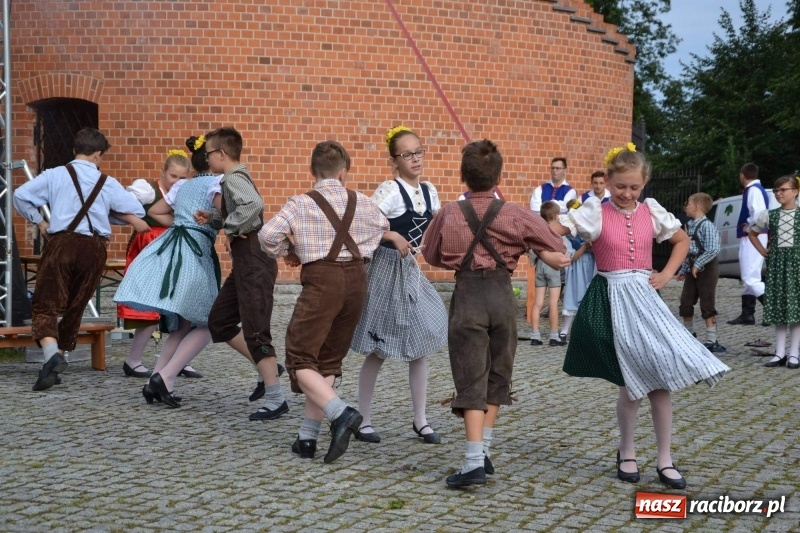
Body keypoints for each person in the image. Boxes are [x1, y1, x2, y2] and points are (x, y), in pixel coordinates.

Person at [558, 144, 730, 490]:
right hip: (612, 297)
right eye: (620, 185)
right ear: (607, 181)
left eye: (634, 187)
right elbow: (559, 228)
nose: (626, 193)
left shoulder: (650, 210)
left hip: (645, 298)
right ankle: (627, 451)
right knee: (631, 385)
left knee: (661, 381)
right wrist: (534, 232)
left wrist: (666, 274)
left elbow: (681, 241)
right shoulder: (595, 210)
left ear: (644, 184)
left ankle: (665, 458)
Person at [422, 139, 570, 488]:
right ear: (499, 175)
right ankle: (483, 451)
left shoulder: (447, 213)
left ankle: (473, 461)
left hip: (469, 294)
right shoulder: (516, 213)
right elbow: (556, 244)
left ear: (463, 175)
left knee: (470, 377)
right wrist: (521, 247)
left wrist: (458, 261)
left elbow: (430, 254)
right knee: (497, 375)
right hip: (502, 297)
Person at [259, 140, 397, 463]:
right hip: (357, 281)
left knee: (298, 356)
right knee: (328, 359)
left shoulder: (301, 202)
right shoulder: (362, 201)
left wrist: (288, 252)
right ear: (343, 172)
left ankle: (340, 413)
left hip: (323, 280)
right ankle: (307, 437)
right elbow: (382, 228)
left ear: (312, 171)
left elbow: (267, 235)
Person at [13, 127, 145, 391]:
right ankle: (56, 360)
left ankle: (52, 356)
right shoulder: (107, 182)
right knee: (76, 305)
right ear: (98, 154)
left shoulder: (54, 175)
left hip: (62, 242)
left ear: (74, 150)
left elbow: (20, 195)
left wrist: (39, 221)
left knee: (45, 304)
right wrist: (104, 214)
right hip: (95, 247)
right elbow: (135, 210)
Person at [350, 125, 448, 445]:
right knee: (379, 347)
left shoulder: (431, 191)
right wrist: (390, 234)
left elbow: (431, 230)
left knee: (419, 345)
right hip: (385, 270)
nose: (416, 159)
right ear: (395, 161)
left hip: (410, 271)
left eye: (419, 151)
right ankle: (362, 419)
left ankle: (420, 419)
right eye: (407, 154)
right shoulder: (388, 191)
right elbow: (362, 225)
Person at [114, 135, 222, 406]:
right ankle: (165, 376)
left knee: (183, 324)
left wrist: (180, 221)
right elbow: (226, 217)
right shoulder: (216, 183)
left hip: (176, 247)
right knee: (209, 321)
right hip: (195, 253)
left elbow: (157, 211)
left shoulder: (182, 186)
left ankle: (159, 380)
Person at [194, 127, 286, 420]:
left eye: (208, 153)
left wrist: (231, 228)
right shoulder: (232, 179)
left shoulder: (232, 178)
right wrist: (215, 219)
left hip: (254, 259)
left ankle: (275, 397)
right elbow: (242, 210)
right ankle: (266, 370)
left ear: (221, 154)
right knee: (219, 321)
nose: (206, 159)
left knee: (256, 328)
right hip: (246, 261)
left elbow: (253, 206)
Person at [118, 149, 194, 378]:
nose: (177, 182)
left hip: (176, 251)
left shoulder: (186, 194)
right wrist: (135, 220)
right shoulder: (147, 190)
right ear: (163, 173)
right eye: (173, 176)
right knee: (150, 309)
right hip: (149, 251)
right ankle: (133, 360)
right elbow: (118, 205)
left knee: (183, 310)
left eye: (182, 178)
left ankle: (178, 361)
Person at [748, 175, 800, 369]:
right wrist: (763, 251)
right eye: (777, 190)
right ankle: (779, 353)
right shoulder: (770, 215)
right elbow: (752, 233)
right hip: (777, 266)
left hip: (797, 267)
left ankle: (794, 353)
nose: (779, 194)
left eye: (783, 190)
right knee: (779, 307)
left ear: (795, 191)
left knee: (795, 309)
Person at [677, 193, 725, 353]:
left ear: (696, 206)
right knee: (686, 300)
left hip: (707, 268)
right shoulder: (688, 226)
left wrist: (697, 264)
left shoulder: (707, 226)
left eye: (687, 203)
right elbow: (686, 250)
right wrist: (684, 269)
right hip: (692, 268)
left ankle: (712, 339)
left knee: (707, 301)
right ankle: (688, 334)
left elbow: (713, 249)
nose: (686, 206)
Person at [728, 163, 769, 325]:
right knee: (751, 276)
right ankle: (748, 314)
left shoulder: (753, 191)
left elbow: (759, 213)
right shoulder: (756, 190)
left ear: (742, 175)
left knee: (749, 278)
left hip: (753, 236)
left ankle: (774, 308)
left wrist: (751, 226)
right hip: (756, 236)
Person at [529, 201, 568, 347]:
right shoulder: (557, 230)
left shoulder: (539, 230)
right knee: (553, 303)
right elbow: (562, 249)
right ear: (556, 215)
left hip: (540, 266)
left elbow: (533, 249)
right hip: (553, 267)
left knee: (537, 303)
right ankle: (553, 335)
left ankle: (535, 335)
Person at [560, 203, 596, 340]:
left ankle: (587, 331)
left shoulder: (591, 232)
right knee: (573, 296)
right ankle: (565, 330)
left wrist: (592, 248)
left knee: (589, 298)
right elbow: (572, 257)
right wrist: (585, 246)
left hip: (591, 267)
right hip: (577, 269)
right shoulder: (569, 237)